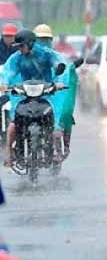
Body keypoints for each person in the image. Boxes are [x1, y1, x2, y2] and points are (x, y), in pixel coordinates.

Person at [1, 30, 65, 166]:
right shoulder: (17, 58)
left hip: (46, 94)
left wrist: (59, 79)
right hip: (26, 95)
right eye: (18, 46)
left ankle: (57, 152)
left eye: (21, 46)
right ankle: (9, 153)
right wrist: (4, 83)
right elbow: (9, 71)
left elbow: (57, 64)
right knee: (13, 125)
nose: (19, 49)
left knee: (55, 126)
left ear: (30, 44)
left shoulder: (46, 54)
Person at [33, 24, 79, 161]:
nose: (43, 43)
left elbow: (64, 73)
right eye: (40, 40)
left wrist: (68, 72)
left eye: (46, 40)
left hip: (52, 95)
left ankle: (62, 147)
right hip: (33, 94)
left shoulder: (57, 57)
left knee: (64, 115)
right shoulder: (27, 58)